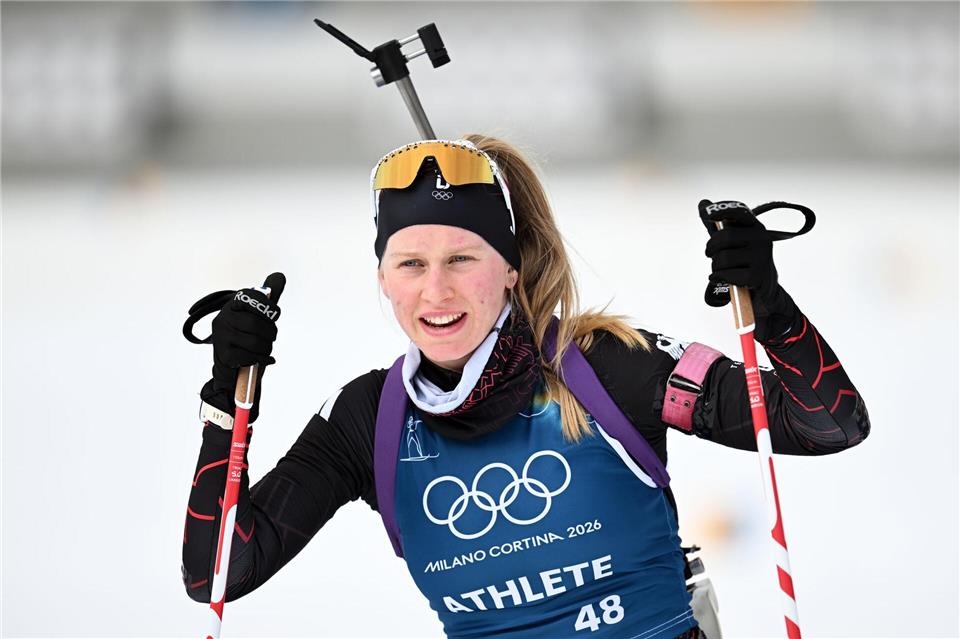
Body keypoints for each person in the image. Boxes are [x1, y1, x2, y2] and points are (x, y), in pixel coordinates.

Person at [181, 135, 870, 639]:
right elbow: (219, 570)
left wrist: (769, 303)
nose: (436, 290)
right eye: (410, 263)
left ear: (510, 267)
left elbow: (827, 422)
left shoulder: (603, 366)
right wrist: (227, 398)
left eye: (462, 259)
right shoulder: (372, 418)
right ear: (383, 278)